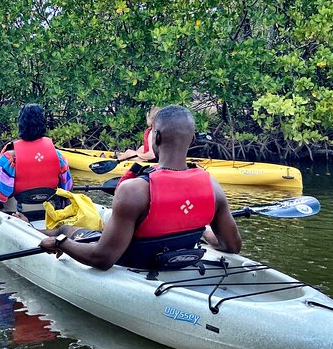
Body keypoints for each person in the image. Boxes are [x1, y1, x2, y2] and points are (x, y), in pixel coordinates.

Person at [39, 105, 242, 270]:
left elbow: (102, 259)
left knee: (66, 229)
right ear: (192, 138)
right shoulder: (212, 187)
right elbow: (232, 246)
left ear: (158, 137)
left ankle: (36, 230)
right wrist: (205, 232)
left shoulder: (134, 190)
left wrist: (60, 243)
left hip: (133, 265)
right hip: (176, 260)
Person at [0, 103, 73, 210]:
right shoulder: (59, 156)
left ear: (20, 125)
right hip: (49, 213)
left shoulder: (9, 159)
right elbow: (68, 190)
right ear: (43, 125)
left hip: (19, 216)